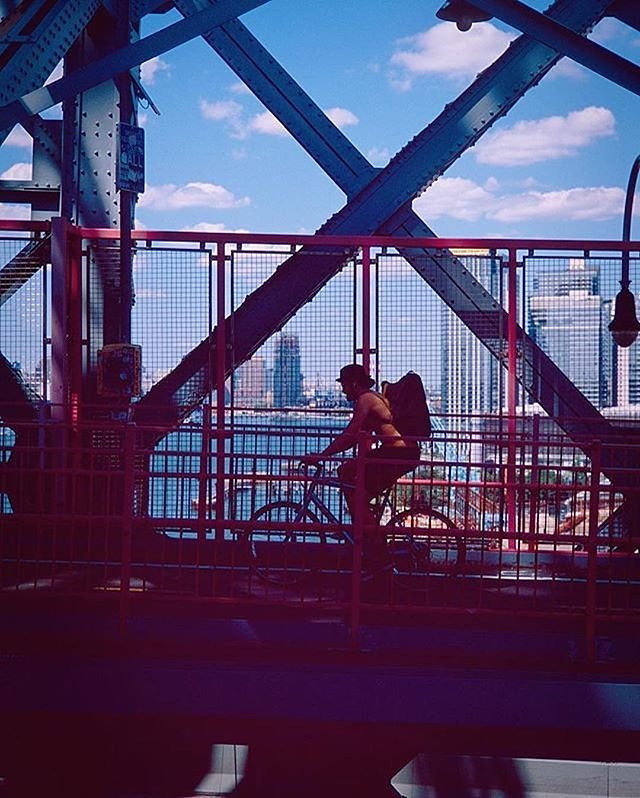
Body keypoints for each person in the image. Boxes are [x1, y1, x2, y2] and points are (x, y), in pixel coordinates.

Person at [303, 363, 421, 570]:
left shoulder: (365, 400)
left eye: (345, 385)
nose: (343, 390)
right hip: (401, 453)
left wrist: (320, 455)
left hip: (398, 453)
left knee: (352, 483)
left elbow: (349, 435)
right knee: (346, 472)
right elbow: (357, 437)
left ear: (354, 383)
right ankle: (363, 526)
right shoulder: (372, 398)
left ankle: (375, 546)